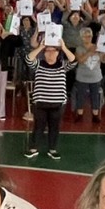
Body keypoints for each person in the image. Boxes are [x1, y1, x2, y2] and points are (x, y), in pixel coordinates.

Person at [24, 32, 76, 160]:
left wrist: (63, 47)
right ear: (44, 53)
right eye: (47, 51)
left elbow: (74, 61)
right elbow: (28, 59)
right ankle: (33, 148)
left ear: (58, 53)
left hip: (58, 104)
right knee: (38, 127)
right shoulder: (39, 64)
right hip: (40, 103)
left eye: (54, 51)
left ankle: (52, 149)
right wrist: (40, 47)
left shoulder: (62, 65)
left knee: (54, 127)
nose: (51, 53)